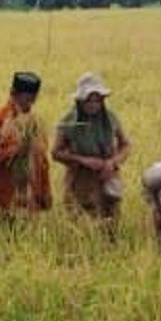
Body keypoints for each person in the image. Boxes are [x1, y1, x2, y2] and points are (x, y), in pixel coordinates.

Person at [53, 72, 130, 222]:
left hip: (107, 178)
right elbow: (56, 153)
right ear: (80, 101)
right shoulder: (69, 122)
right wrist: (83, 160)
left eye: (97, 101)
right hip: (80, 180)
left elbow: (126, 144)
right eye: (89, 101)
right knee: (81, 222)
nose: (93, 105)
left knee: (110, 221)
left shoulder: (110, 119)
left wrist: (113, 162)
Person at [0, 72, 51, 219]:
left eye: (33, 100)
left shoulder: (35, 122)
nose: (30, 104)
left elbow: (43, 161)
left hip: (30, 199)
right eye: (26, 99)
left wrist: (45, 193)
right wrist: (16, 150)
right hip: (3, 199)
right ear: (13, 94)